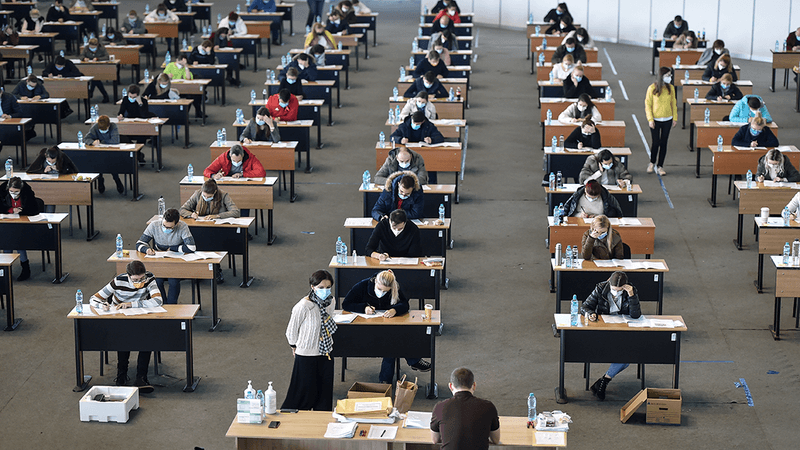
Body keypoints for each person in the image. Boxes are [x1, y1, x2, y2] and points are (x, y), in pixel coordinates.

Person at [342, 270, 431, 383]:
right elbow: (346, 304)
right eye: (379, 289)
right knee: (393, 342)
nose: (382, 292)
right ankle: (413, 360)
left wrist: (395, 310)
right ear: (375, 282)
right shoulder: (362, 285)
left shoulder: (395, 287)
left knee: (391, 342)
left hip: (387, 326)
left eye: (385, 291)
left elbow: (404, 304)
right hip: (366, 326)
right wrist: (363, 308)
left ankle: (386, 381)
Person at [89, 260, 162, 392]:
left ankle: (141, 377)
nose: (139, 282)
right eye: (135, 279)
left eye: (142, 278)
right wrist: (103, 305)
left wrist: (131, 304)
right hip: (120, 318)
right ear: (128, 276)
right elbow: (94, 298)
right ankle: (121, 375)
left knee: (147, 339)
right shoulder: (118, 281)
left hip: (140, 316)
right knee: (123, 339)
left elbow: (158, 300)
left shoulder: (149, 278)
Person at [281, 270, 336, 411]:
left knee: (324, 393)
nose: (325, 291)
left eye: (328, 287)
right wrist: (294, 346)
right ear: (313, 287)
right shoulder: (303, 306)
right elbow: (291, 331)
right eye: (321, 288)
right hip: (306, 355)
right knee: (303, 393)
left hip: (326, 353)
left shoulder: (331, 301)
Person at [582, 271, 641, 400]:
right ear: (609, 281)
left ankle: (604, 380)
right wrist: (591, 314)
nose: (616, 293)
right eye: (614, 290)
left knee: (627, 356)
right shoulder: (601, 288)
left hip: (622, 330)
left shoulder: (631, 291)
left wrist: (631, 295)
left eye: (619, 291)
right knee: (623, 357)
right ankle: (603, 382)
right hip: (603, 329)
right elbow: (585, 306)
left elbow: (635, 315)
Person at [136, 208, 196, 304]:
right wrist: (146, 249)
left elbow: (191, 247)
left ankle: (171, 306)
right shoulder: (154, 225)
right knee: (157, 281)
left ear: (176, 224)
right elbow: (139, 243)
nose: (166, 229)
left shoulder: (182, 226)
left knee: (173, 281)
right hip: (158, 261)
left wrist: (173, 248)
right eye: (164, 226)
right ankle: (162, 304)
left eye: (170, 227)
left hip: (175, 261)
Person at [430, 367, 501, 449]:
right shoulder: (488, 407)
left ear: (450, 386)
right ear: (474, 385)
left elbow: (435, 440)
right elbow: (496, 440)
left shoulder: (440, 407)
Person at [204, 144, 266, 219]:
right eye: (234, 160)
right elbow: (207, 171)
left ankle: (243, 226)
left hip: (243, 188)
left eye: (239, 160)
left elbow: (261, 172)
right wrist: (213, 176)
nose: (236, 163)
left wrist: (242, 174)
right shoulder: (223, 157)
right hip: (227, 187)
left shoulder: (250, 157)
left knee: (245, 200)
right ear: (230, 155)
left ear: (243, 155)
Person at [0, 177, 40, 281]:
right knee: (6, 241)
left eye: (16, 192)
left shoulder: (27, 193)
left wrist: (21, 211)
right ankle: (5, 269)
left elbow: (34, 209)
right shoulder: (2, 192)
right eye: (11, 191)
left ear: (21, 190)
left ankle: (25, 269)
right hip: (6, 224)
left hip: (23, 225)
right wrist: (10, 210)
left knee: (18, 242)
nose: (13, 193)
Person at [644, 67, 677, 176]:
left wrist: (675, 118)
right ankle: (652, 162)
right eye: (668, 75)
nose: (670, 77)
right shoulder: (651, 88)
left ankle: (660, 166)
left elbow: (673, 103)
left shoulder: (671, 88)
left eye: (670, 75)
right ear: (661, 76)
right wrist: (650, 119)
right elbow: (648, 105)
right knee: (655, 142)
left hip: (667, 119)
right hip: (655, 120)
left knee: (664, 143)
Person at [84, 115, 125, 194]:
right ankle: (100, 180)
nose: (102, 131)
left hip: (112, 152)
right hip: (99, 152)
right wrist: (92, 142)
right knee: (98, 161)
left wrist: (101, 142)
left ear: (108, 125)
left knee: (111, 163)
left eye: (104, 129)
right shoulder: (96, 127)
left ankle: (117, 180)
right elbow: (86, 138)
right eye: (100, 130)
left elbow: (115, 141)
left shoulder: (113, 126)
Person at [81, 38, 111, 103]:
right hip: (89, 68)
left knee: (95, 78)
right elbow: (81, 56)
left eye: (93, 47)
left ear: (97, 45)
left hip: (100, 68)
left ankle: (90, 92)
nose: (92, 48)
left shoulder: (101, 48)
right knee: (95, 79)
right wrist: (84, 58)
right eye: (91, 46)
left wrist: (98, 59)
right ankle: (105, 95)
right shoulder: (86, 48)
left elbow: (107, 57)